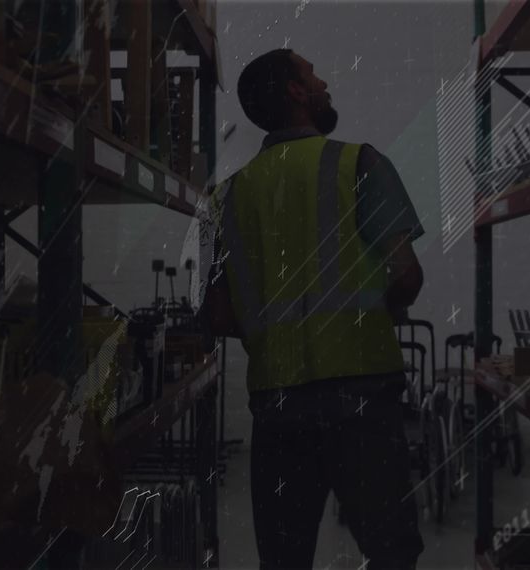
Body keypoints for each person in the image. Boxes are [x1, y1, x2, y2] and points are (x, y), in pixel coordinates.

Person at [201, 49, 426, 569]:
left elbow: (216, 317)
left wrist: (273, 334)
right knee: (390, 553)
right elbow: (407, 274)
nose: (324, 81)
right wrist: (370, 315)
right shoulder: (358, 163)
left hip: (278, 405)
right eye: (313, 74)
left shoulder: (223, 200)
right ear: (297, 93)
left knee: (284, 558)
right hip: (362, 395)